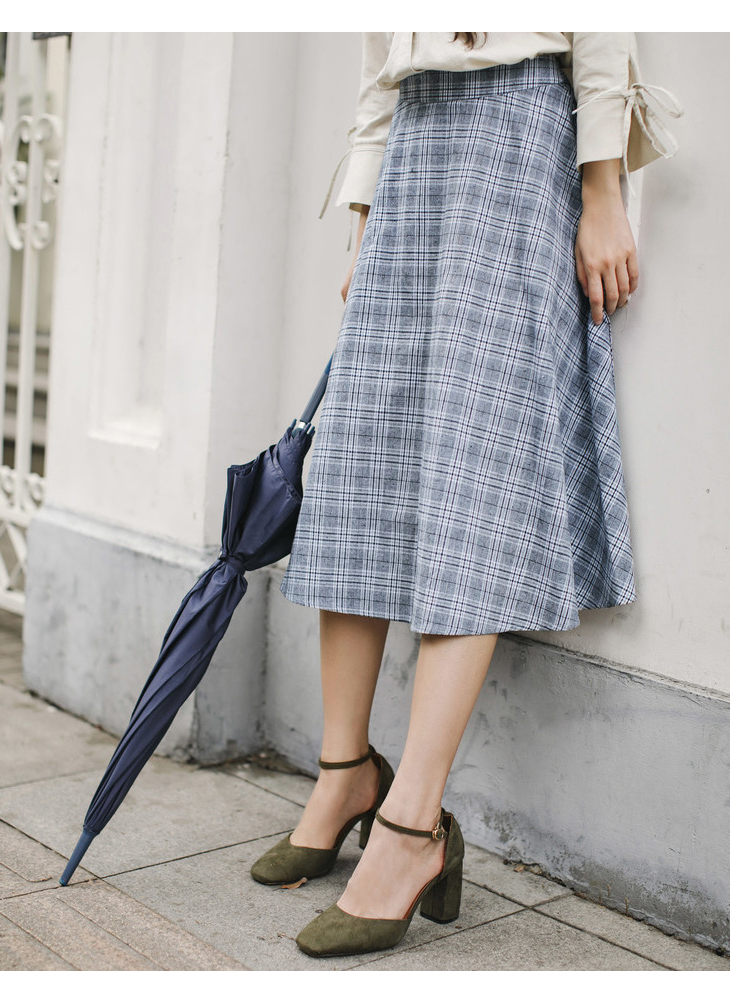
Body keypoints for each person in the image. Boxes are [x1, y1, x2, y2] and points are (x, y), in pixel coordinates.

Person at [252, 33, 681, 958]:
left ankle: (413, 825)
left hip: (518, 133)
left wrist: (602, 189)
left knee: (473, 476)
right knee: (359, 468)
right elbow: (377, 64)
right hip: (413, 142)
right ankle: (344, 769)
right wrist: (364, 223)